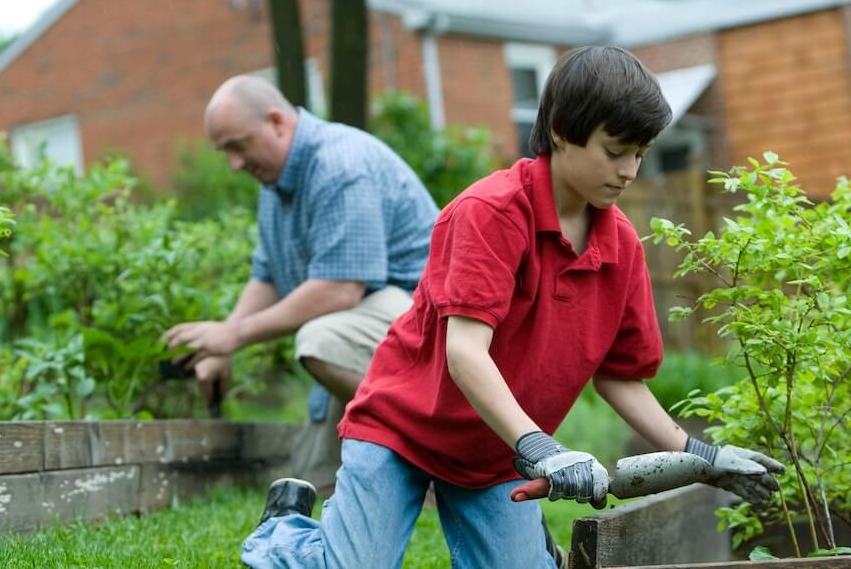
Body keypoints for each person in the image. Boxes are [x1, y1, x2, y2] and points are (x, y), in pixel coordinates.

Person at [241, 46, 785, 568]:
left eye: (640, 153)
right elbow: (466, 353)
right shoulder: (490, 213)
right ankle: (286, 535)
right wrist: (543, 449)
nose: (630, 171)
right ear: (560, 132)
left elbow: (620, 378)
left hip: (494, 455)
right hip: (402, 430)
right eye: (615, 151)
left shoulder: (620, 246)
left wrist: (704, 459)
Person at [163, 75, 440, 494]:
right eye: (225, 153)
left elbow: (340, 289)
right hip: (368, 331)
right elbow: (268, 274)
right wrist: (218, 345)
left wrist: (234, 335)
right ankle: (397, 465)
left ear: (277, 122)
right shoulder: (275, 184)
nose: (234, 165)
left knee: (321, 340)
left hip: (431, 329)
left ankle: (437, 448)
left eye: (238, 146)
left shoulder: (339, 165)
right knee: (310, 483)